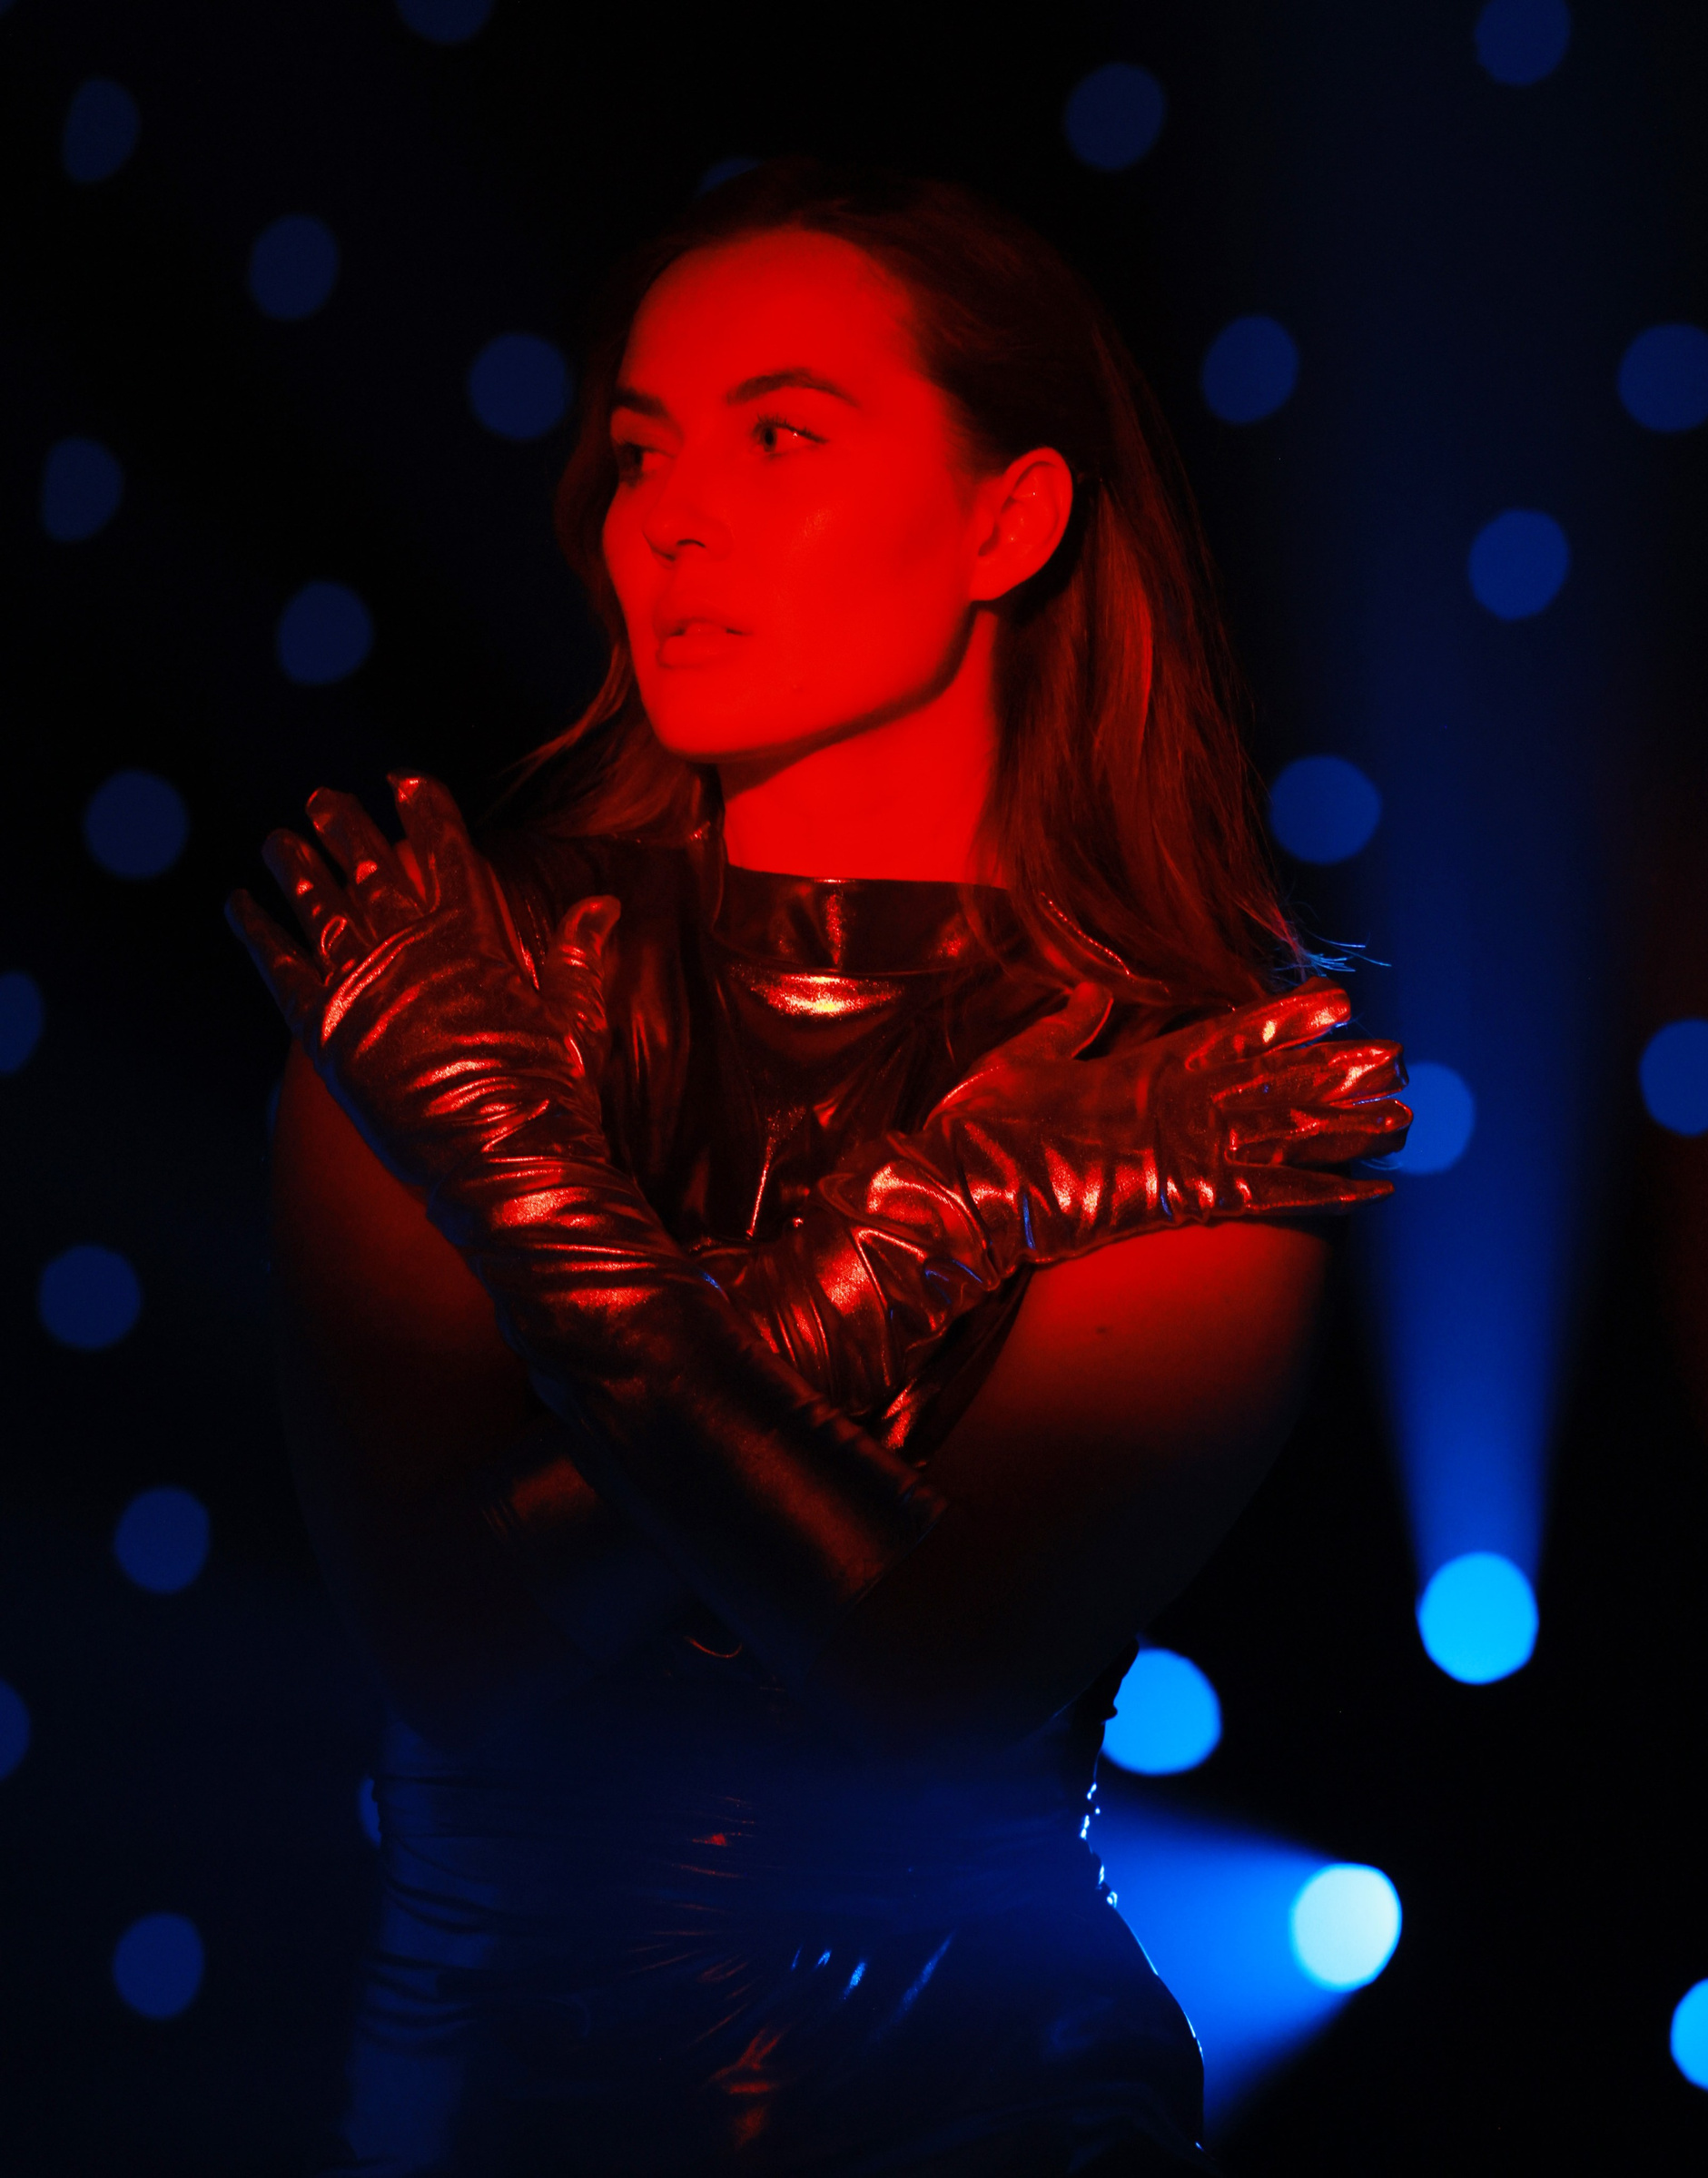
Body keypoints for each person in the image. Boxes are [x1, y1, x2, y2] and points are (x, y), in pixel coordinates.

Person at [229, 159, 1408, 2177]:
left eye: (779, 437)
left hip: (999, 2112)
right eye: (639, 452)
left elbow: (930, 1679)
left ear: (1007, 521)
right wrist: (941, 1224)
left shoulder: (1190, 1081)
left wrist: (533, 1198)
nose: (666, 519)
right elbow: (453, 1653)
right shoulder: (448, 982)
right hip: (490, 2113)